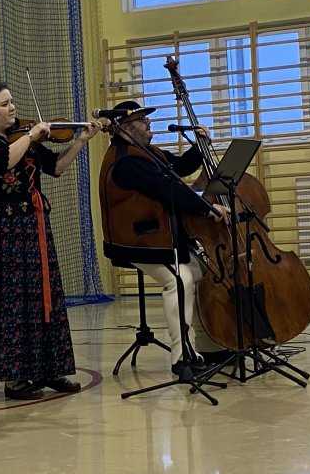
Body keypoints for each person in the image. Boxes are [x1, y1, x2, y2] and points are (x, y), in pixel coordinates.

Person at [0, 81, 102, 399]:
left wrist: (81, 141)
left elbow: (56, 167)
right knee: (11, 300)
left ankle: (49, 368)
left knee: (42, 296)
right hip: (0, 232)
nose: (12, 107)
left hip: (33, 227)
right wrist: (31, 136)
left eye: (12, 101)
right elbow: (2, 162)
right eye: (4, 103)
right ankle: (14, 378)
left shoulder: (24, 139)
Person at [97, 101, 231, 374]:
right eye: (142, 120)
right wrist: (208, 208)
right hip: (137, 242)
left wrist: (200, 145)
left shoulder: (148, 152)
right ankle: (181, 358)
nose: (148, 124)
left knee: (204, 270)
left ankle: (207, 346)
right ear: (125, 128)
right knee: (179, 280)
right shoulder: (126, 161)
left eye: (147, 119)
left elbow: (180, 167)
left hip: (157, 237)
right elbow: (169, 189)